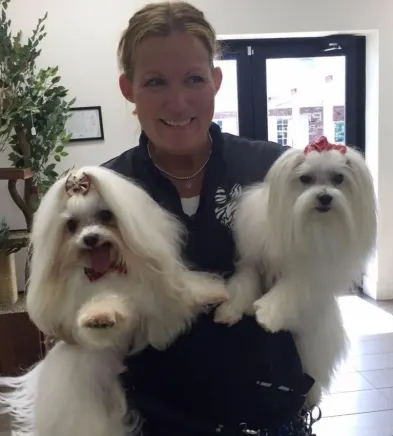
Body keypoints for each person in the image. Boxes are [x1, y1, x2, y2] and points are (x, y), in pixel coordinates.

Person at [101, 2, 319, 435]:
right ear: (128, 88)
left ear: (216, 80)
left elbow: (324, 271)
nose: (178, 101)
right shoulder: (106, 189)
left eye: (194, 79)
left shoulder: (273, 170)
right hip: (150, 421)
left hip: (270, 416)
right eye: (155, 82)